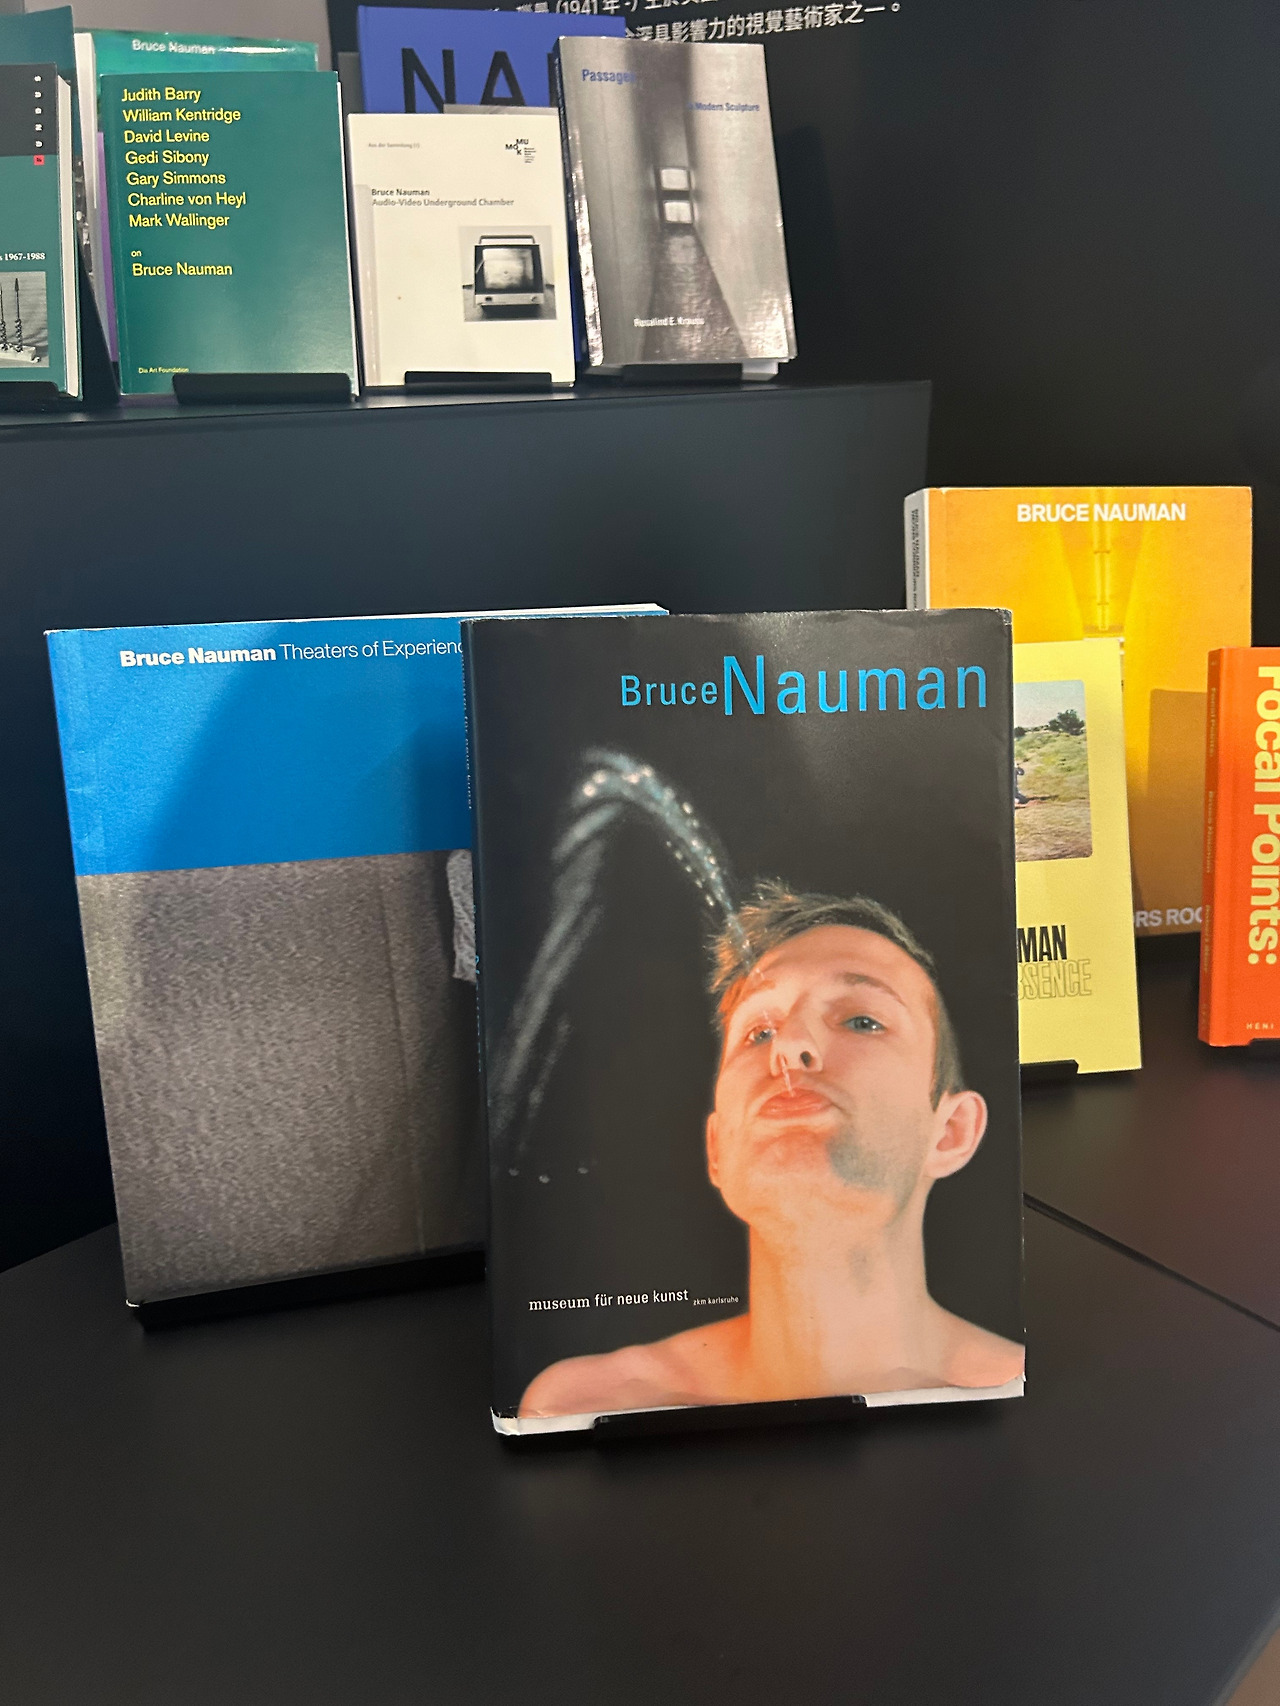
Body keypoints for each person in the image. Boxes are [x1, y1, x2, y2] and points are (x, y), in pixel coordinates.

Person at [520, 882, 1024, 1418]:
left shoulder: (1023, 1405)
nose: (788, 1046)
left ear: (950, 1132)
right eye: (759, 1032)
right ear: (718, 1148)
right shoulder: (582, 1406)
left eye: (862, 1021)